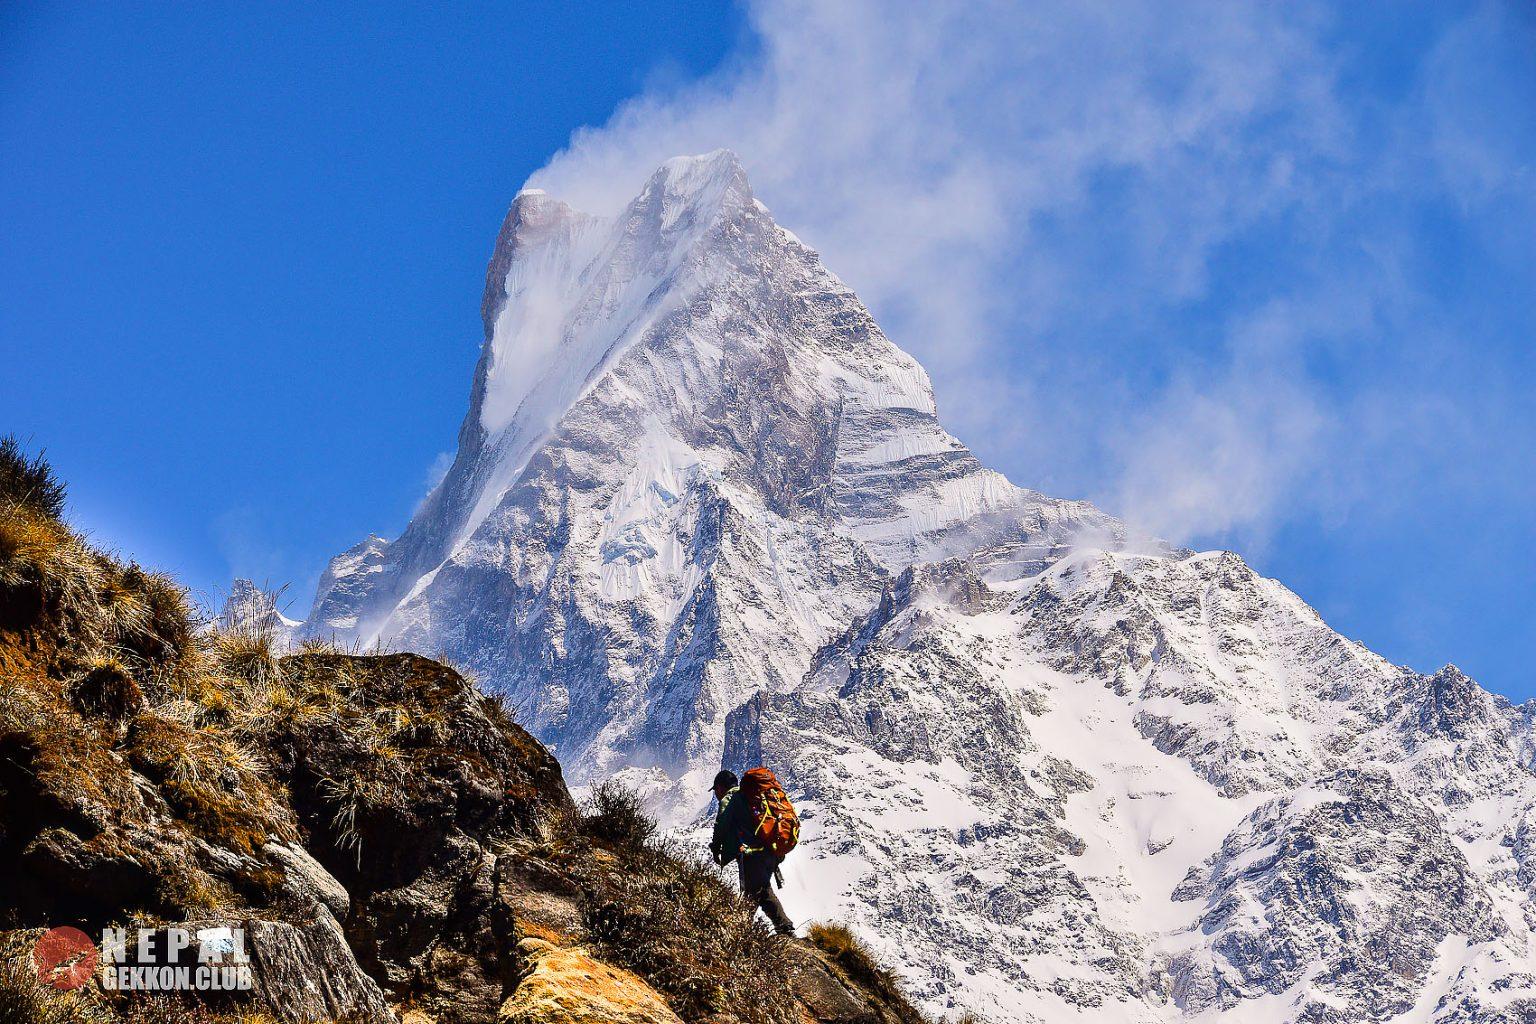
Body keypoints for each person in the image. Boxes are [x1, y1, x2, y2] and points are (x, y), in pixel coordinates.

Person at [709, 769, 796, 936]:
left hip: (752, 854)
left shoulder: (730, 798)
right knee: (762, 890)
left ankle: (739, 931)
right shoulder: (749, 797)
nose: (716, 795)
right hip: (770, 852)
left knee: (752, 892)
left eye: (715, 791)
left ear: (720, 788)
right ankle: (783, 927)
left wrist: (715, 846)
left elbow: (722, 823)